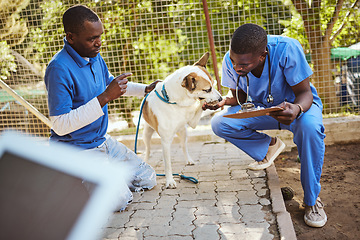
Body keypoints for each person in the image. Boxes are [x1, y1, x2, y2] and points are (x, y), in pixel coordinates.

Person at [203, 23, 327, 228]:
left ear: (262, 55)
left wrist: (296, 109)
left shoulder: (287, 49)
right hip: (264, 109)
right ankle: (270, 146)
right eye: (233, 61)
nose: (236, 67)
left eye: (243, 64)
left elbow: (304, 94)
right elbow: (239, 97)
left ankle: (312, 202)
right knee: (220, 122)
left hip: (297, 107)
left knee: (310, 130)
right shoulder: (231, 60)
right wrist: (224, 102)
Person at [44, 5, 157, 210]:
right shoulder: (58, 69)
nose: (99, 43)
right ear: (71, 37)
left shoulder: (94, 56)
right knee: (119, 201)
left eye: (100, 36)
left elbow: (111, 85)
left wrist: (146, 89)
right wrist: (105, 97)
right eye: (91, 38)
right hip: (76, 149)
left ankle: (100, 181)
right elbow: (60, 125)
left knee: (148, 178)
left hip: (101, 141)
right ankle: (75, 181)